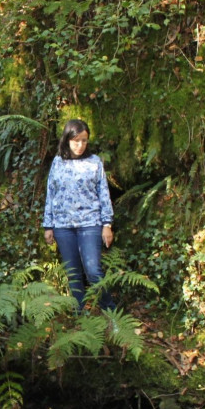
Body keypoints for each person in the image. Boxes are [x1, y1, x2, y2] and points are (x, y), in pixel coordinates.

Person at [42, 119, 114, 311]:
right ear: (67, 140)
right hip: (63, 226)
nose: (80, 145)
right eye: (76, 141)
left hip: (90, 223)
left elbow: (103, 193)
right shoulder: (57, 163)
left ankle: (112, 314)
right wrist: (48, 226)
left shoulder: (94, 162)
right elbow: (51, 193)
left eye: (84, 140)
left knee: (93, 271)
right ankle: (80, 319)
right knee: (73, 274)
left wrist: (107, 224)